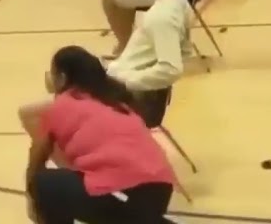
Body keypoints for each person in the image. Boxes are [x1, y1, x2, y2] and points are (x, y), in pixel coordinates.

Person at [20, 46, 176, 224]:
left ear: (62, 78)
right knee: (130, 216)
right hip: (161, 188)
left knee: (44, 183)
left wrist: (31, 197)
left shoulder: (62, 105)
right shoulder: (116, 102)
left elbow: (36, 159)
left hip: (126, 188)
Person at [106, 0, 194, 93]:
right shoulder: (179, 4)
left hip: (125, 86)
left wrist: (124, 81)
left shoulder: (163, 15)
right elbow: (185, 51)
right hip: (125, 70)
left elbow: (170, 69)